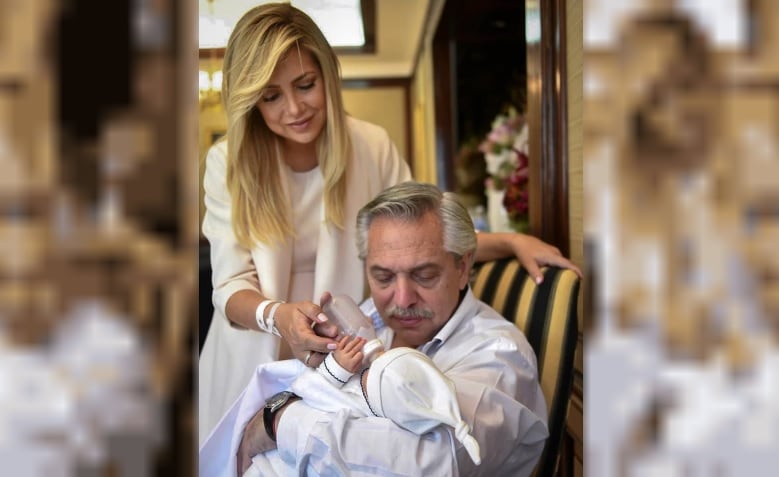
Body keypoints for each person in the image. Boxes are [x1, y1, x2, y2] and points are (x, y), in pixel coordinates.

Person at [199, 2, 580, 443]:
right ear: (251, 101)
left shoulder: (370, 145)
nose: (294, 108)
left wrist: (512, 242)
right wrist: (278, 316)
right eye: (271, 96)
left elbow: (424, 236)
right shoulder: (227, 162)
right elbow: (228, 287)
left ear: (327, 74)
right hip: (253, 349)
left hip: (341, 356)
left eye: (306, 85)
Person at [200, 182, 549, 477]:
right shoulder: (369, 318)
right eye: (382, 277)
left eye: (424, 275)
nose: (402, 298)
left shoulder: (498, 356)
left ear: (462, 267)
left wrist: (278, 422)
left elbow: (431, 463)